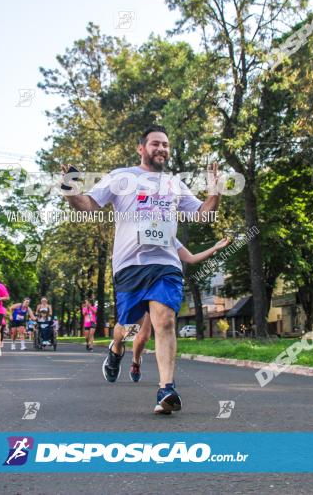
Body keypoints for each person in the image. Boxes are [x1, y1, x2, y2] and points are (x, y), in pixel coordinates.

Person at [62, 124, 220, 414]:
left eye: (166, 145)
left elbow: (203, 214)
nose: (162, 149)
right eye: (156, 144)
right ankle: (116, 348)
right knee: (129, 326)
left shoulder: (174, 184)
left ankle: (166, 389)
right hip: (129, 265)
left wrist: (215, 189)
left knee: (165, 322)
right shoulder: (122, 177)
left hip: (165, 263)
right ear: (141, 148)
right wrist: (70, 189)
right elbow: (87, 206)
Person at [129, 237, 230, 382]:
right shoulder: (135, 231)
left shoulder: (167, 235)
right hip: (141, 284)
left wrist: (214, 247)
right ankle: (134, 360)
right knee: (142, 336)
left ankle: (166, 380)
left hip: (161, 286)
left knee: (164, 327)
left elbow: (191, 258)